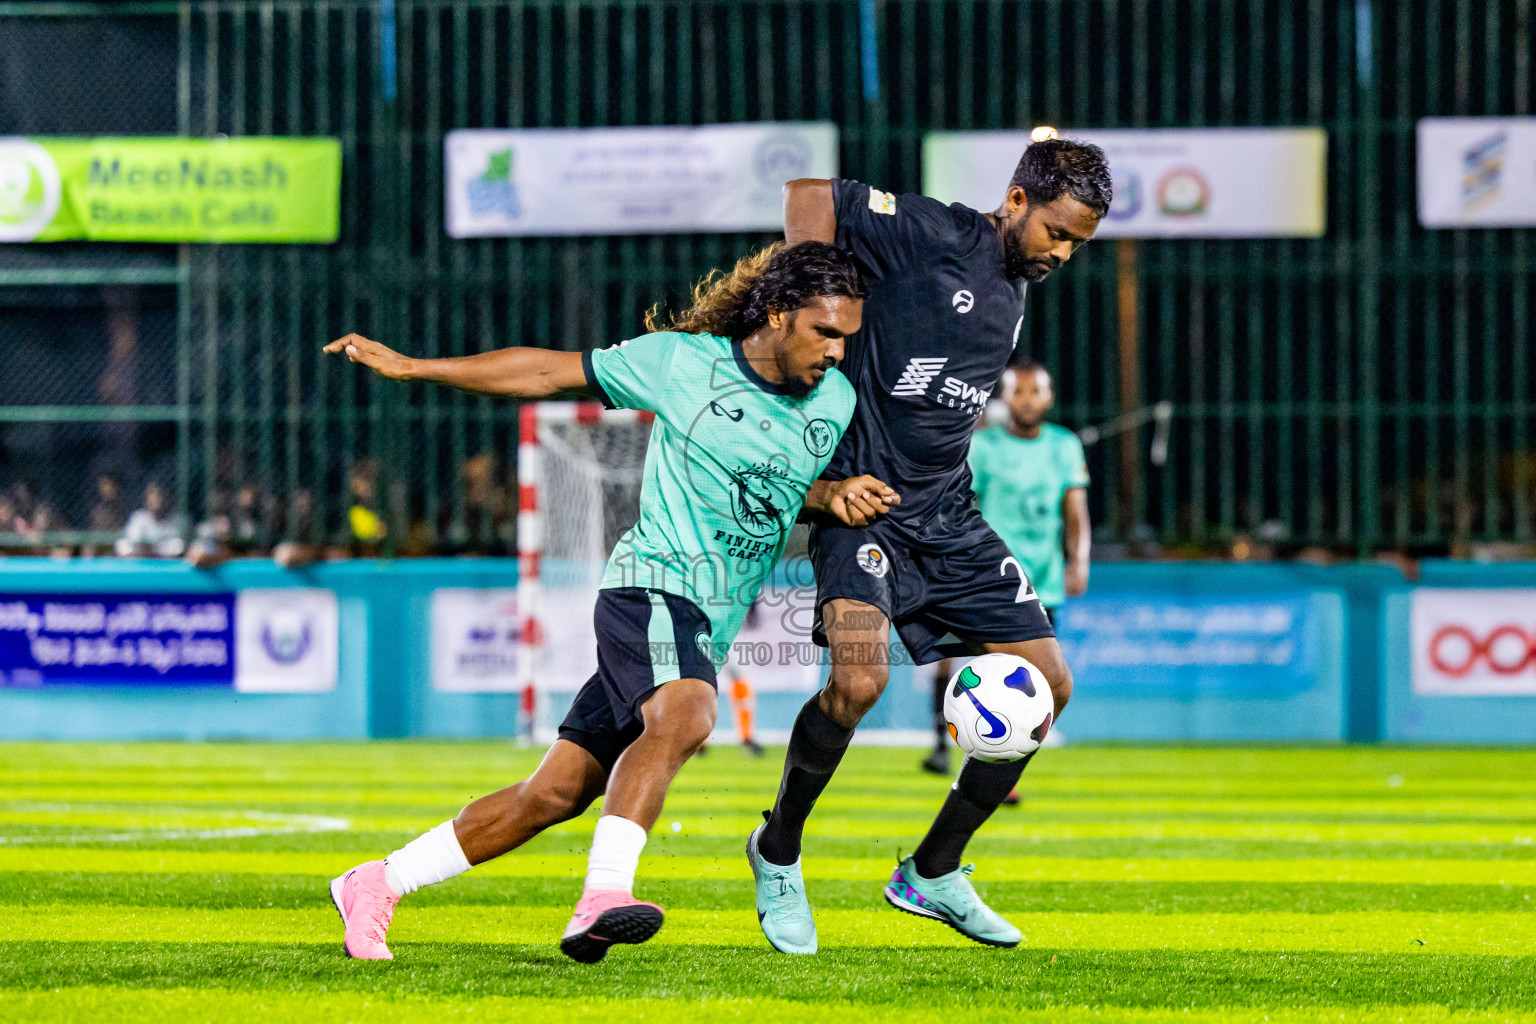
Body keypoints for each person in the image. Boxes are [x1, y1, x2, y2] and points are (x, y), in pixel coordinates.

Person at [323, 241, 898, 964]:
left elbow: (769, 483)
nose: (839, 352)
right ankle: (603, 895)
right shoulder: (683, 362)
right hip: (652, 587)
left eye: (848, 335)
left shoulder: (834, 402)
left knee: (555, 793)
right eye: (826, 331)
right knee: (687, 715)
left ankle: (377, 882)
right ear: (780, 314)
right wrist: (415, 366)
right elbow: (544, 371)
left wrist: (828, 495)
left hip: (706, 621)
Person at [750, 138, 1110, 953]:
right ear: (1015, 201)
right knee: (857, 681)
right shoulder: (934, 233)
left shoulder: (1015, 282)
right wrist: (807, 300)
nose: (1061, 253)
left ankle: (933, 871)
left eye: (1077, 245)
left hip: (949, 517)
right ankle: (777, 851)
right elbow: (812, 192)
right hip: (862, 507)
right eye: (1055, 232)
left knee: (1050, 685)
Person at [922, 360, 1091, 778]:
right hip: (985, 580)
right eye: (1018, 391)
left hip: (1042, 580)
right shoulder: (983, 446)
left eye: (1036, 391)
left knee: (1033, 679)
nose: (1027, 400)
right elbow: (958, 507)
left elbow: (1076, 513)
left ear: (1049, 398)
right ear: (1004, 398)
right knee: (955, 662)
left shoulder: (1064, 445)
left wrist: (1079, 561)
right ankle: (942, 745)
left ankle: (1001, 759)